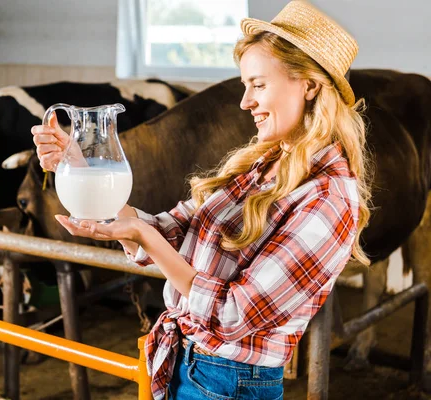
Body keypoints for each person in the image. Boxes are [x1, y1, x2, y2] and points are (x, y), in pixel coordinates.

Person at [31, 1, 371, 399]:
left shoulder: (328, 197)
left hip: (232, 381)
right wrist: (78, 165)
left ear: (310, 85)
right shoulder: (262, 164)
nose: (245, 102)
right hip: (189, 361)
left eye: (258, 85)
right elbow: (174, 231)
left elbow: (234, 314)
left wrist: (145, 237)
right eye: (245, 85)